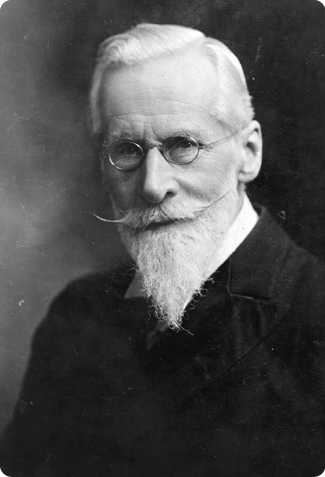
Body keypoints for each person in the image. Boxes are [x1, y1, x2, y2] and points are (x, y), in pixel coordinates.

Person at [1, 23, 325, 477]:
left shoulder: (314, 315)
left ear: (249, 153)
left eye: (183, 146)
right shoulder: (76, 315)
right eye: (127, 151)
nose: (153, 186)